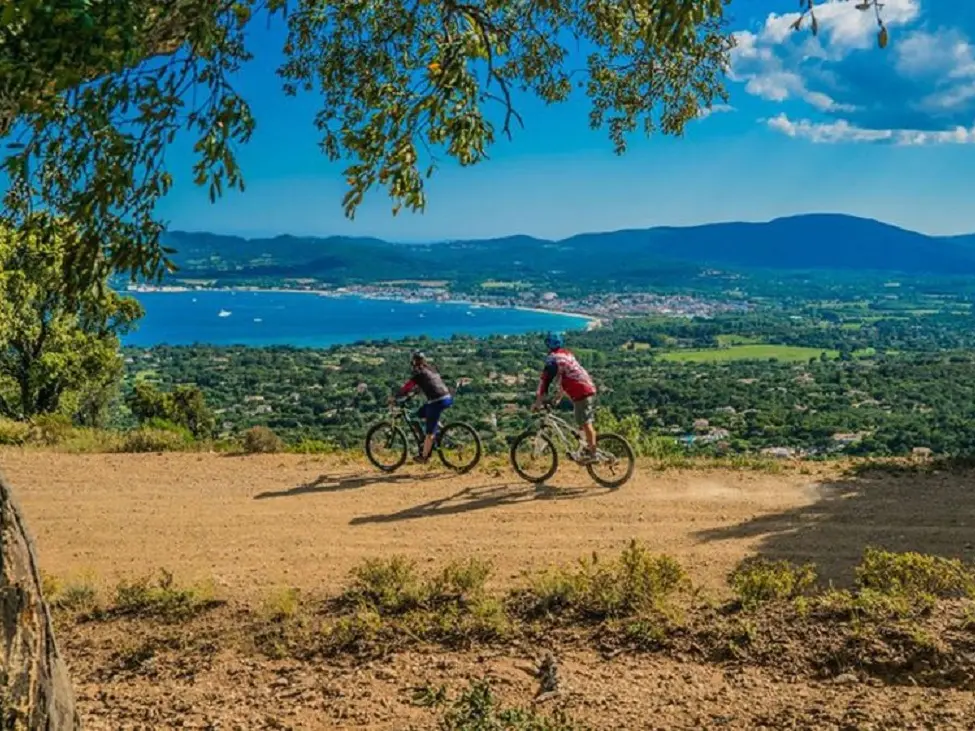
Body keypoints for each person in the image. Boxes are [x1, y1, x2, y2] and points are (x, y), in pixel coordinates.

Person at [533, 331, 598, 463]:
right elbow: (567, 377)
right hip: (586, 388)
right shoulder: (567, 355)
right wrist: (558, 396)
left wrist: (538, 402)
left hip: (581, 391)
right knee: (581, 422)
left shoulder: (553, 359)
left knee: (586, 423)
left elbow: (544, 381)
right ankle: (582, 450)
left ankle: (593, 454)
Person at [391, 350, 453, 463]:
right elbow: (423, 386)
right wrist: (412, 394)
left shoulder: (418, 373)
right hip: (447, 398)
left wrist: (394, 397)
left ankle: (424, 457)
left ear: (413, 362)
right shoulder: (431, 369)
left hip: (436, 401)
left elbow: (407, 387)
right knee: (419, 414)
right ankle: (440, 431)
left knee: (429, 433)